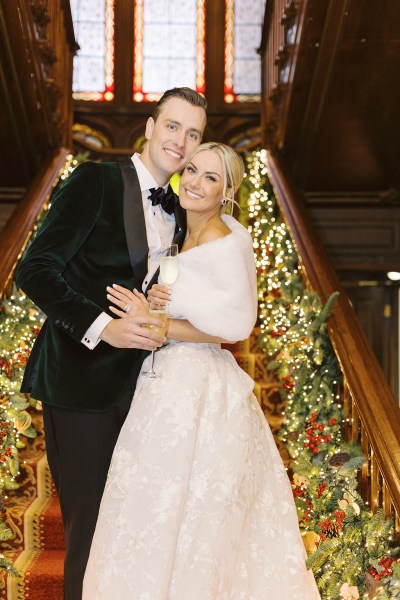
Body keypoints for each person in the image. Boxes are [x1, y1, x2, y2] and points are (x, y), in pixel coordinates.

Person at [82, 142, 321, 599]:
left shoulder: (222, 239)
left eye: (210, 177)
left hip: (200, 387)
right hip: (162, 379)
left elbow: (235, 325)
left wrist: (161, 322)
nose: (194, 182)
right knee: (151, 504)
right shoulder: (177, 230)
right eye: (191, 170)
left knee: (196, 512)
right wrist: (151, 309)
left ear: (227, 191)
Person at [15, 87, 208, 600]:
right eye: (172, 126)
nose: (180, 140)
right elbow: (33, 270)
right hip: (79, 386)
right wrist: (104, 326)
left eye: (193, 134)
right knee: (92, 534)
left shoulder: (185, 213)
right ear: (149, 127)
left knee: (132, 536)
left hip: (145, 392)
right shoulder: (96, 181)